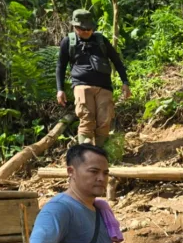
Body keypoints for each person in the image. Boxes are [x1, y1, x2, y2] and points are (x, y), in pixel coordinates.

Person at [56, 9, 131, 146]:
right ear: (75, 27)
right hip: (82, 86)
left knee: (105, 120)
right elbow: (60, 66)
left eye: (89, 28)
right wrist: (60, 89)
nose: (86, 31)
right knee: (86, 118)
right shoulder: (68, 42)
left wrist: (125, 82)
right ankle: (84, 155)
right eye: (82, 29)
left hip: (104, 87)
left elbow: (117, 61)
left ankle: (100, 153)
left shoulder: (101, 40)